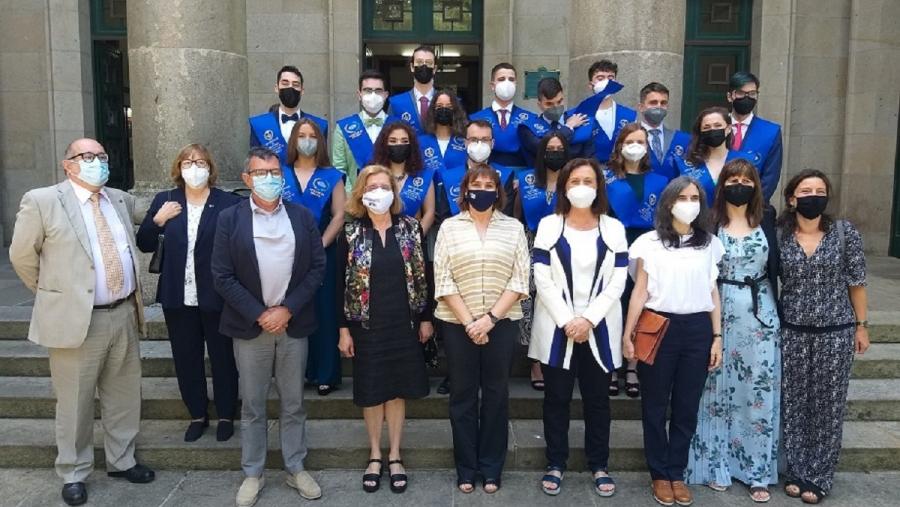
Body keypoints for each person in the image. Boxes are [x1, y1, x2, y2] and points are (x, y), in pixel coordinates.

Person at [9, 138, 155, 506]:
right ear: (68, 164)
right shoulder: (42, 200)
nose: (97, 162)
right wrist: (55, 293)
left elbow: (152, 217)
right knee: (74, 403)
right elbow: (22, 255)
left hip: (122, 312)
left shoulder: (118, 199)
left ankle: (122, 460)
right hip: (76, 320)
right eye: (87, 156)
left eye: (102, 156)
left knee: (123, 396)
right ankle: (73, 471)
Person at [211, 147, 326, 506]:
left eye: (275, 172)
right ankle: (253, 473)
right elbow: (222, 275)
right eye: (261, 173)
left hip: (292, 325)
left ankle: (295, 467)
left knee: (293, 403)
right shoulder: (230, 219)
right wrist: (261, 313)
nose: (270, 178)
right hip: (251, 327)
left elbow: (316, 268)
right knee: (254, 406)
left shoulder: (302, 216)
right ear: (247, 179)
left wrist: (287, 309)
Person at [528, 158, 628, 498]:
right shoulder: (548, 225)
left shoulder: (613, 228)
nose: (581, 187)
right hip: (559, 327)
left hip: (598, 326)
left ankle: (599, 464)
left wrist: (589, 319)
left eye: (589, 180)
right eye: (575, 181)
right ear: (564, 187)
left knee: (598, 400)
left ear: (599, 186)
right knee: (556, 399)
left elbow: (618, 280)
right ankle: (555, 462)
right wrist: (568, 319)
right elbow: (541, 278)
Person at [622, 175, 724, 507]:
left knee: (686, 406)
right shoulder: (648, 243)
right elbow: (639, 291)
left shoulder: (710, 244)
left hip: (697, 329)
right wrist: (628, 333)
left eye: (695, 198)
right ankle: (659, 474)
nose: (689, 204)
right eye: (683, 197)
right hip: (658, 325)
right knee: (653, 405)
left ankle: (676, 472)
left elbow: (713, 292)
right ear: (668, 203)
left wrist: (717, 337)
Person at [685, 159, 780, 502]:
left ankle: (756, 470)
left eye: (746, 179)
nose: (739, 184)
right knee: (714, 390)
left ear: (756, 184)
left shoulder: (767, 218)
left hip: (760, 314)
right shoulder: (708, 222)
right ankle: (715, 465)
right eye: (733, 179)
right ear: (722, 184)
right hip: (717, 311)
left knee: (757, 392)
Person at [433, 164, 530, 494]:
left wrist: (489, 319)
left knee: (495, 395)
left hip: (500, 323)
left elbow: (520, 279)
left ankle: (491, 467)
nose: (483, 188)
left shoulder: (514, 228)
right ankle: (466, 466)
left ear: (498, 191)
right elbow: (443, 279)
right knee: (462, 396)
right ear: (465, 190)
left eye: (490, 184)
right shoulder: (449, 227)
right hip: (457, 323)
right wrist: (470, 322)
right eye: (477, 183)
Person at [336, 165, 432, 494]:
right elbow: (339, 284)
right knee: (373, 389)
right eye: (371, 187)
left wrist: (425, 317)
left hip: (403, 323)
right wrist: (343, 329)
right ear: (361, 193)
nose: (378, 192)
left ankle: (395, 455)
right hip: (365, 325)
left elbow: (423, 275)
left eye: (384, 186)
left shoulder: (411, 227)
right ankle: (375, 453)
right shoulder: (350, 233)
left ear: (394, 191)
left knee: (397, 389)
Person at [136, 144, 241, 442]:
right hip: (177, 296)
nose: (194, 167)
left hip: (217, 296)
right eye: (187, 162)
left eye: (200, 162)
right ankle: (197, 414)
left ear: (210, 167)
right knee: (186, 358)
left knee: (223, 358)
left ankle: (225, 414)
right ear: (178, 168)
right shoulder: (165, 200)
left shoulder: (227, 202)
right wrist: (159, 220)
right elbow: (144, 243)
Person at [777, 169, 869, 504]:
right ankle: (798, 470)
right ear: (792, 198)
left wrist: (862, 325)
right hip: (792, 331)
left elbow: (856, 283)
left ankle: (819, 475)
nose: (813, 195)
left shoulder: (844, 233)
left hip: (836, 331)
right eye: (805, 190)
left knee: (828, 407)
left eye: (819, 190)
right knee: (795, 403)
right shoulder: (779, 235)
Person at [604, 123, 669, 399]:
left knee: (641, 304)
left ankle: (632, 365)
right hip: (614, 245)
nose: (635, 146)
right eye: (630, 141)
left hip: (648, 246)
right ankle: (611, 366)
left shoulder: (661, 181)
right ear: (620, 146)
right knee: (614, 305)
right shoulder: (606, 178)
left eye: (641, 141)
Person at [283, 119, 346, 396]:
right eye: (302, 135)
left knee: (324, 310)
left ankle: (325, 373)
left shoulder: (331, 175)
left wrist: (320, 245)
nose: (307, 140)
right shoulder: (280, 173)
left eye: (312, 136)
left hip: (323, 250)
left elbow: (340, 214)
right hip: (284, 252)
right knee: (293, 310)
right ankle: (300, 372)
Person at [515, 132, 570, 391]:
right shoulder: (526, 181)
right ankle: (534, 361)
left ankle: (554, 354)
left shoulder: (572, 182)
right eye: (550, 148)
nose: (555, 152)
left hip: (563, 243)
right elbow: (516, 216)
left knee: (555, 297)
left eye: (560, 148)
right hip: (529, 241)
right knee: (529, 299)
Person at [676, 106, 758, 206]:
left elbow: (755, 197)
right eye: (707, 127)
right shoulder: (687, 164)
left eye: (717, 125)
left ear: (728, 129)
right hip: (698, 219)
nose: (712, 130)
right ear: (701, 133)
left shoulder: (745, 160)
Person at [439, 119, 517, 221]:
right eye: (474, 139)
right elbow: (443, 219)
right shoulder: (449, 177)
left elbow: (505, 215)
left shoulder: (505, 176)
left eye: (485, 140)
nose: (479, 145)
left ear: (492, 143)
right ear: (465, 143)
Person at [332, 69, 398, 190]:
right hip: (354, 199)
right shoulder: (343, 127)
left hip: (391, 197)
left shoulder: (398, 126)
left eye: (378, 91)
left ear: (386, 95)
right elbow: (339, 170)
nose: (373, 95)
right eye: (367, 90)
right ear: (359, 94)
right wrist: (352, 198)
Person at [249, 65, 328, 165]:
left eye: (295, 84)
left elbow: (322, 163)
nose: (290, 87)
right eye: (285, 83)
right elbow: (255, 163)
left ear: (302, 91)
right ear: (276, 88)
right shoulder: (259, 125)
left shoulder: (319, 125)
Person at [726, 71, 783, 201]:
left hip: (753, 207)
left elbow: (771, 175)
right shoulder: (717, 126)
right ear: (730, 96)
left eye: (752, 93)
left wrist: (753, 205)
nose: (747, 98)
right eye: (741, 93)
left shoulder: (770, 131)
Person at [371, 121, 436, 233]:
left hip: (413, 240)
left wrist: (414, 239)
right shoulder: (373, 174)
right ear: (384, 145)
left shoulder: (424, 176)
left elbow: (430, 213)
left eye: (404, 141)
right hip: (377, 239)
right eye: (393, 141)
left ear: (412, 146)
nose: (399, 145)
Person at [469, 62, 536, 168]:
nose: (507, 83)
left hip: (521, 178)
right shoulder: (475, 119)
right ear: (492, 85)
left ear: (515, 84)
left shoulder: (530, 119)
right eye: (501, 79)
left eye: (511, 79)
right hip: (487, 177)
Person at [517, 77, 594, 166]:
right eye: (549, 104)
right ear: (539, 104)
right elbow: (542, 148)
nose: (556, 107)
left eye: (559, 101)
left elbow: (589, 157)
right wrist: (568, 127)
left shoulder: (580, 121)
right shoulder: (528, 128)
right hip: (541, 177)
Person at [585, 60, 638, 164]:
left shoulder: (629, 116)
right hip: (590, 173)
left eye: (610, 78)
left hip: (621, 173)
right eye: (600, 78)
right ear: (590, 85)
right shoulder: (577, 114)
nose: (606, 82)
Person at [637, 82, 691, 181]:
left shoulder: (683, 139)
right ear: (641, 107)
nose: (659, 106)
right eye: (653, 102)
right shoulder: (629, 139)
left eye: (663, 103)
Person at [389, 45, 438, 135]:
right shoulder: (396, 103)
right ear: (412, 67)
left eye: (429, 63)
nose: (424, 66)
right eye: (419, 62)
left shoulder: (448, 102)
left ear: (434, 69)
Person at [419, 88, 469, 177]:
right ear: (433, 110)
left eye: (449, 107)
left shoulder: (464, 142)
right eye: (439, 106)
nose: (444, 110)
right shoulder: (420, 142)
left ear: (455, 111)